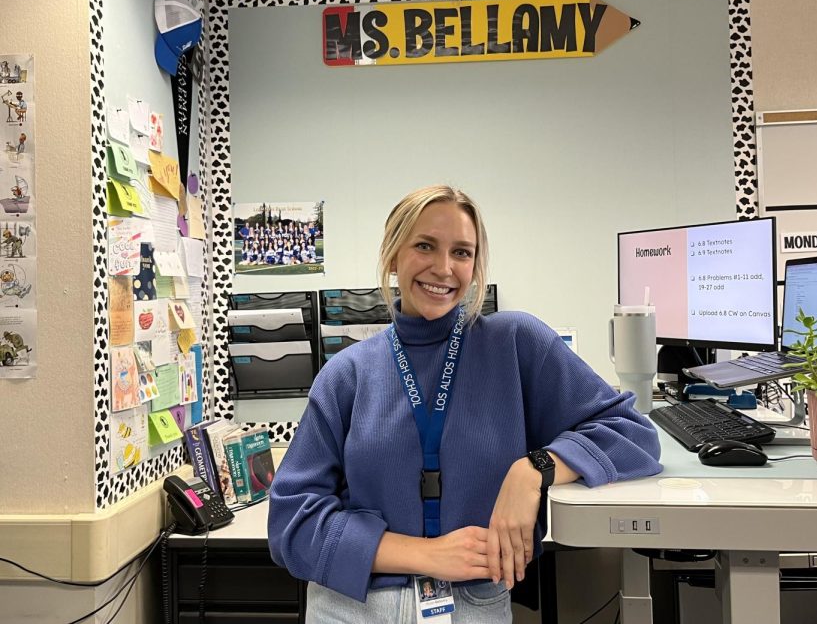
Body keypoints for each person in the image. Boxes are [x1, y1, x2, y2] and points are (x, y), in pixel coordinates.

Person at [268, 185, 662, 622]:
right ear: (392, 255)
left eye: (462, 252)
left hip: (473, 603)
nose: (444, 268)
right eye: (424, 246)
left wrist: (533, 470)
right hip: (352, 605)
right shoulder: (347, 374)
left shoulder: (515, 344)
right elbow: (291, 523)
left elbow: (633, 434)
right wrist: (428, 555)